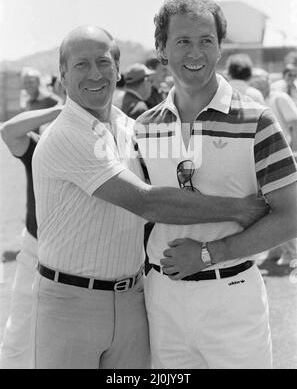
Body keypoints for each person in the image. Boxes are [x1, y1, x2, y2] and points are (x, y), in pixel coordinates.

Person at [31, 25, 267, 369]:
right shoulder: (67, 134)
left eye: (104, 62)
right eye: (82, 65)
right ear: (63, 75)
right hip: (71, 304)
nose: (95, 73)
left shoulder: (131, 127)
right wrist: (240, 209)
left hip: (133, 300)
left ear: (118, 70)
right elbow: (147, 202)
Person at [135, 0, 297, 369]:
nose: (196, 53)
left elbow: (292, 216)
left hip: (232, 296)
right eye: (183, 41)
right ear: (161, 48)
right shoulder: (144, 128)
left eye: (207, 40)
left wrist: (210, 254)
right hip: (162, 300)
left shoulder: (257, 120)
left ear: (220, 48)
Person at [0, 106, 63, 369]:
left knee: (62, 340)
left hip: (72, 258)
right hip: (35, 250)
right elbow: (9, 131)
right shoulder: (39, 150)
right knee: (19, 337)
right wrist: (59, 109)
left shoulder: (97, 151)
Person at [250, 68, 297, 265]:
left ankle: (293, 253)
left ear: (268, 79)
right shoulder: (263, 99)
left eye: (260, 79)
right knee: (269, 207)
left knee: (285, 206)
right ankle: (276, 251)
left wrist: (293, 151)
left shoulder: (280, 97)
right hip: (268, 158)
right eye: (255, 80)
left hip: (285, 157)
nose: (257, 83)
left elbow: (294, 124)